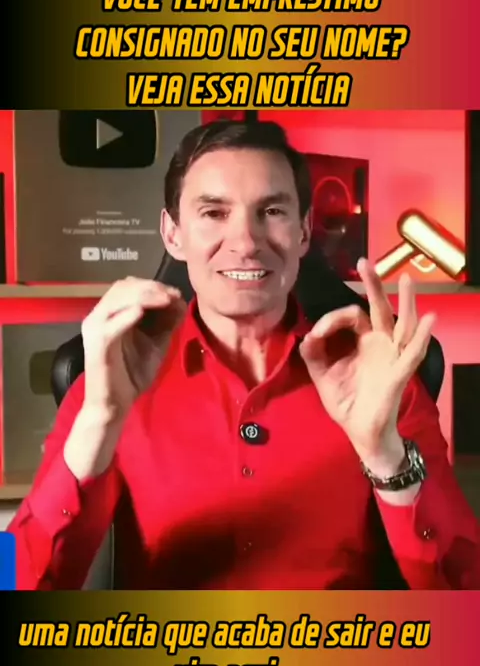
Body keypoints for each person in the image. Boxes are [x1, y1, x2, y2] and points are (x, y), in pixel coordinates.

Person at [8, 119, 480, 590]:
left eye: (271, 211)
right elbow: (16, 582)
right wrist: (98, 422)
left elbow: (464, 592)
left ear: (304, 232)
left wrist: (386, 456)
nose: (247, 243)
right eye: (214, 213)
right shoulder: (111, 376)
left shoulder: (378, 377)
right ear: (173, 234)